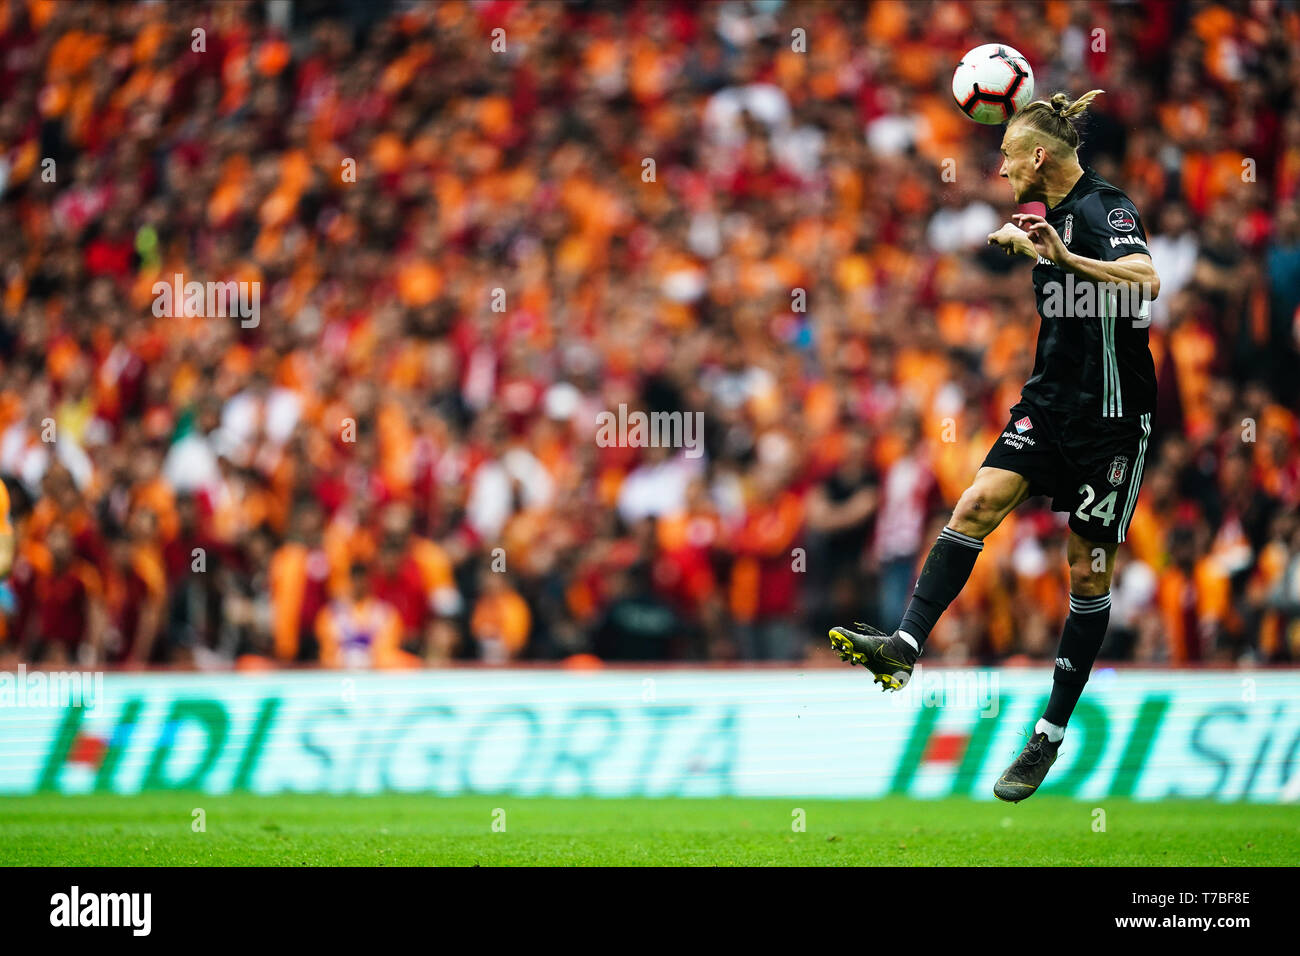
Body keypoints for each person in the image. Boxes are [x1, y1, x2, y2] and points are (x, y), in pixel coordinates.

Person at [828, 91, 1162, 803]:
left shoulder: (1107, 210)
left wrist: (1063, 255)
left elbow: (1146, 283)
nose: (1002, 167)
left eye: (1009, 154)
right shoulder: (1046, 218)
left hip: (1111, 419)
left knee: (1088, 570)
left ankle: (1048, 734)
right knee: (975, 502)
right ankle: (904, 647)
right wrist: (1031, 248)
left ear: (1040, 156)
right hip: (1048, 405)